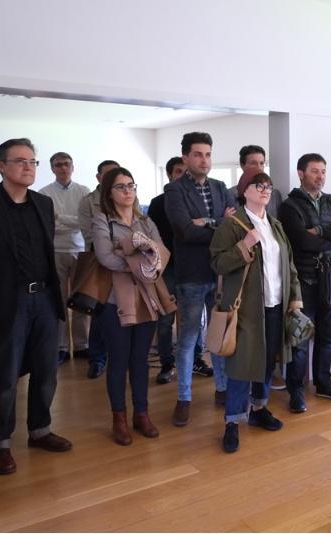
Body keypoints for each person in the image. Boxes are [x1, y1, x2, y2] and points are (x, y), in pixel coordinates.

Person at [0, 138, 72, 475]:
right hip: (8, 303)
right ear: (2, 166)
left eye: (33, 162)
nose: (28, 167)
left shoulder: (43, 204)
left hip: (45, 300)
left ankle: (40, 430)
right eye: (20, 161)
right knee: (5, 376)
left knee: (47, 371)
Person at [210, 170, 302, 452]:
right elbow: (217, 263)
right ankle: (232, 422)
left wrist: (295, 299)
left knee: (266, 362)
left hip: (275, 306)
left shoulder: (275, 225)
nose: (264, 190)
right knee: (241, 367)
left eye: (268, 186)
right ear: (244, 190)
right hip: (247, 310)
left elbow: (289, 265)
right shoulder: (232, 224)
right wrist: (243, 245)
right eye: (258, 185)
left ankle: (259, 409)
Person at [93, 167, 172, 446]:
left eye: (131, 185)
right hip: (114, 301)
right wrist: (140, 257)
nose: (128, 191)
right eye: (120, 187)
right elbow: (105, 257)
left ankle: (142, 414)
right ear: (109, 192)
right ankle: (119, 418)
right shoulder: (103, 220)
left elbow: (161, 254)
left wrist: (129, 252)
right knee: (119, 360)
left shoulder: (145, 220)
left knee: (139, 361)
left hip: (146, 299)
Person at [165, 132, 236, 425]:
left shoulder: (221, 188)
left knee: (218, 335)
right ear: (185, 158)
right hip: (192, 275)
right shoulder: (174, 191)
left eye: (208, 154)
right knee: (188, 338)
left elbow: (234, 226)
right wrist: (219, 222)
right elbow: (185, 231)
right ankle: (184, 398)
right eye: (197, 154)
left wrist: (206, 222)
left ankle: (222, 388)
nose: (204, 160)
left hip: (220, 273)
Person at [279, 153, 331, 411]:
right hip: (304, 281)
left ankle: (323, 383)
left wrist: (321, 231)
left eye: (323, 171)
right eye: (314, 171)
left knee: (327, 336)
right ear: (301, 173)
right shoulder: (289, 206)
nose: (320, 176)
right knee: (299, 340)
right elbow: (301, 241)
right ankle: (296, 391)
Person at [147, 157, 206, 385]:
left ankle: (197, 359)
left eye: (185, 172)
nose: (182, 175)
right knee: (165, 320)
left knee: (195, 318)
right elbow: (154, 237)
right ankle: (166, 363)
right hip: (168, 269)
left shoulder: (196, 200)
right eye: (178, 171)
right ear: (170, 175)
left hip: (193, 266)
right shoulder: (158, 202)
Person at [39, 152, 91, 367]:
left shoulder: (84, 191)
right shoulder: (44, 193)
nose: (63, 168)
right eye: (58, 165)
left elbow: (84, 221)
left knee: (80, 301)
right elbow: (48, 225)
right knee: (58, 302)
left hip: (81, 250)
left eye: (66, 164)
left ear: (72, 166)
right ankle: (60, 347)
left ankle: (81, 345)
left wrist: (60, 218)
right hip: (56, 251)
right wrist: (70, 221)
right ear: (52, 169)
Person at [78, 160, 120, 378]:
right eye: (109, 174)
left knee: (121, 311)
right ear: (98, 178)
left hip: (124, 264)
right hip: (99, 262)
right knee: (99, 312)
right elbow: (89, 235)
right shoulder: (88, 202)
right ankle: (96, 359)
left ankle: (118, 357)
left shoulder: (127, 195)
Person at [227, 145, 284, 217]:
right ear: (242, 165)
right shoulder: (229, 195)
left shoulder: (275, 195)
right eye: (253, 163)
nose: (259, 167)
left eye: (262, 163)